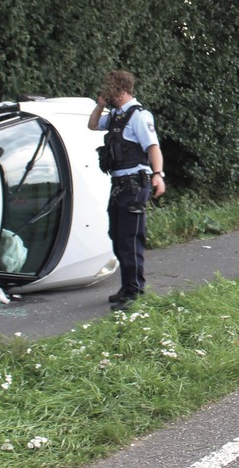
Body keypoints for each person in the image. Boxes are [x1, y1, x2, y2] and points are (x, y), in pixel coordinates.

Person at [88, 70, 165, 310]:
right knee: (117, 236)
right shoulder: (115, 116)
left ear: (121, 89)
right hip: (119, 185)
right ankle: (127, 287)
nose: (106, 90)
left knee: (130, 239)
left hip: (134, 183)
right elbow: (92, 125)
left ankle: (134, 292)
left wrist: (158, 175)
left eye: (109, 87)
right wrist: (99, 106)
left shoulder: (139, 116)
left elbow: (153, 147)